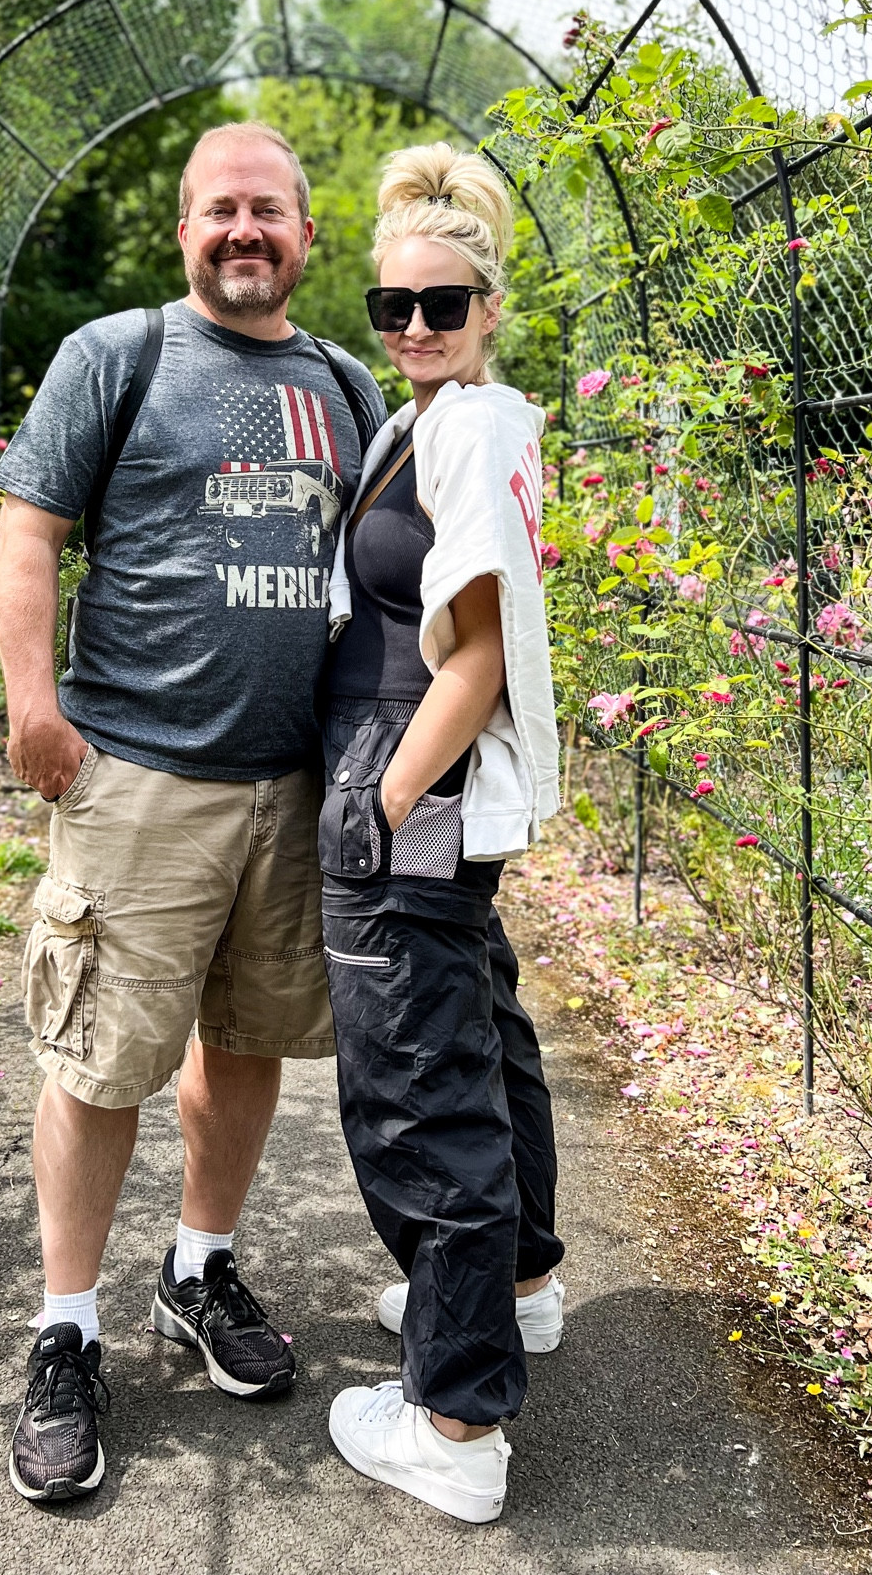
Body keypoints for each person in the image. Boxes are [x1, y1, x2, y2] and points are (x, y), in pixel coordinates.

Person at [0, 119, 384, 1505]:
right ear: (185, 231)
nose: (244, 232)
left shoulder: (346, 385)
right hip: (141, 779)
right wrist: (34, 708)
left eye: (267, 210)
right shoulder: (119, 356)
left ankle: (199, 1267)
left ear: (306, 235)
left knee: (251, 1037)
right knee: (99, 1061)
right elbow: (29, 530)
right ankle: (66, 1330)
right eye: (220, 210)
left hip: (292, 783)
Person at [318, 144, 565, 1525]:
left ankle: (456, 1423)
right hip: (433, 782)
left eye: (443, 304)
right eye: (392, 304)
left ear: (488, 310)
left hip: (411, 775)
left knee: (419, 1083)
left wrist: (381, 802)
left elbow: (470, 656)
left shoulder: (460, 429)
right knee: (479, 1028)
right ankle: (510, 1290)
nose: (414, 325)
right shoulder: (465, 421)